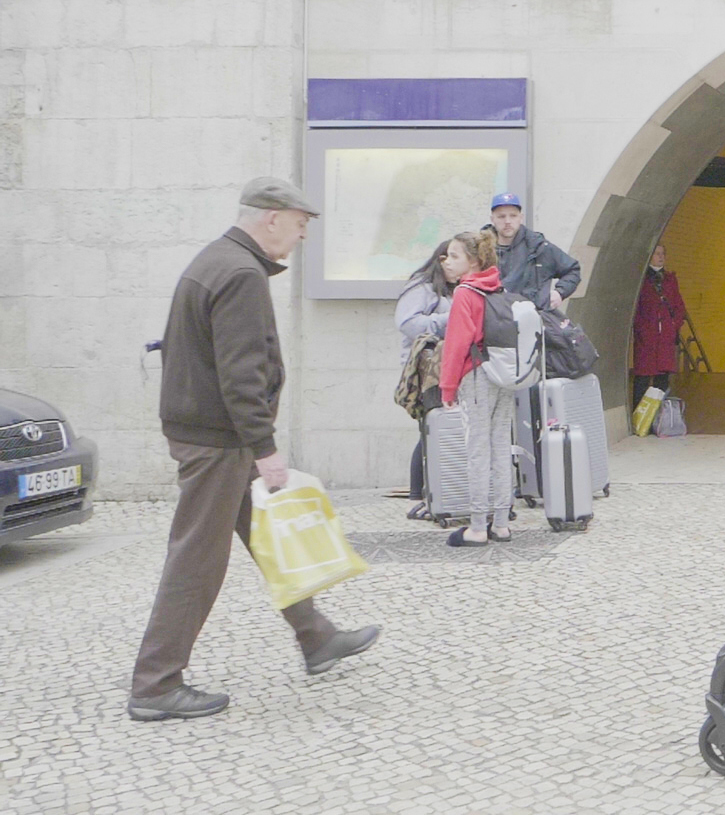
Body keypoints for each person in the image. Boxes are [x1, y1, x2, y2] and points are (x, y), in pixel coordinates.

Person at [128, 178, 380, 722]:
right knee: (196, 560)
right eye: (300, 222)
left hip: (212, 433)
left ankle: (316, 637)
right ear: (271, 218)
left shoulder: (216, 259)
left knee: (270, 540)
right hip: (219, 442)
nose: (303, 234)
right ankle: (155, 684)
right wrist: (264, 448)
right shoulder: (241, 274)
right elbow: (240, 374)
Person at [439, 230, 515, 547]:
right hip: (503, 376)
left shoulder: (465, 294)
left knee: (477, 451)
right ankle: (501, 524)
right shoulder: (497, 289)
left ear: (472, 261)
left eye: (454, 255)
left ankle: (477, 527)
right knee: (501, 447)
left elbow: (456, 346)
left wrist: (447, 388)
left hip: (477, 377)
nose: (447, 261)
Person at [394, 240, 452, 512]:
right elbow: (407, 323)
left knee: (439, 428)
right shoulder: (422, 287)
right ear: (441, 259)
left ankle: (435, 493)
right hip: (426, 369)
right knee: (428, 428)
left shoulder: (455, 288)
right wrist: (450, 320)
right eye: (451, 257)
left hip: (447, 366)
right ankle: (416, 497)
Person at [485, 193, 580, 311]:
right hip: (491, 321)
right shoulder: (479, 250)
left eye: (513, 216)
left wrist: (559, 292)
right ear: (492, 219)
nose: (507, 221)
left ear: (521, 217)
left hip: (532, 321)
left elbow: (572, 270)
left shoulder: (538, 247)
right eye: (501, 216)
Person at [631, 242, 687, 405]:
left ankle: (659, 416)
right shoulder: (641, 280)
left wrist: (673, 324)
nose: (661, 257)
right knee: (642, 377)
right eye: (657, 254)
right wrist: (642, 328)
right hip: (647, 338)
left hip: (665, 339)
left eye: (663, 254)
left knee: (662, 379)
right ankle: (639, 416)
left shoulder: (670, 280)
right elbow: (637, 308)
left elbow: (679, 306)